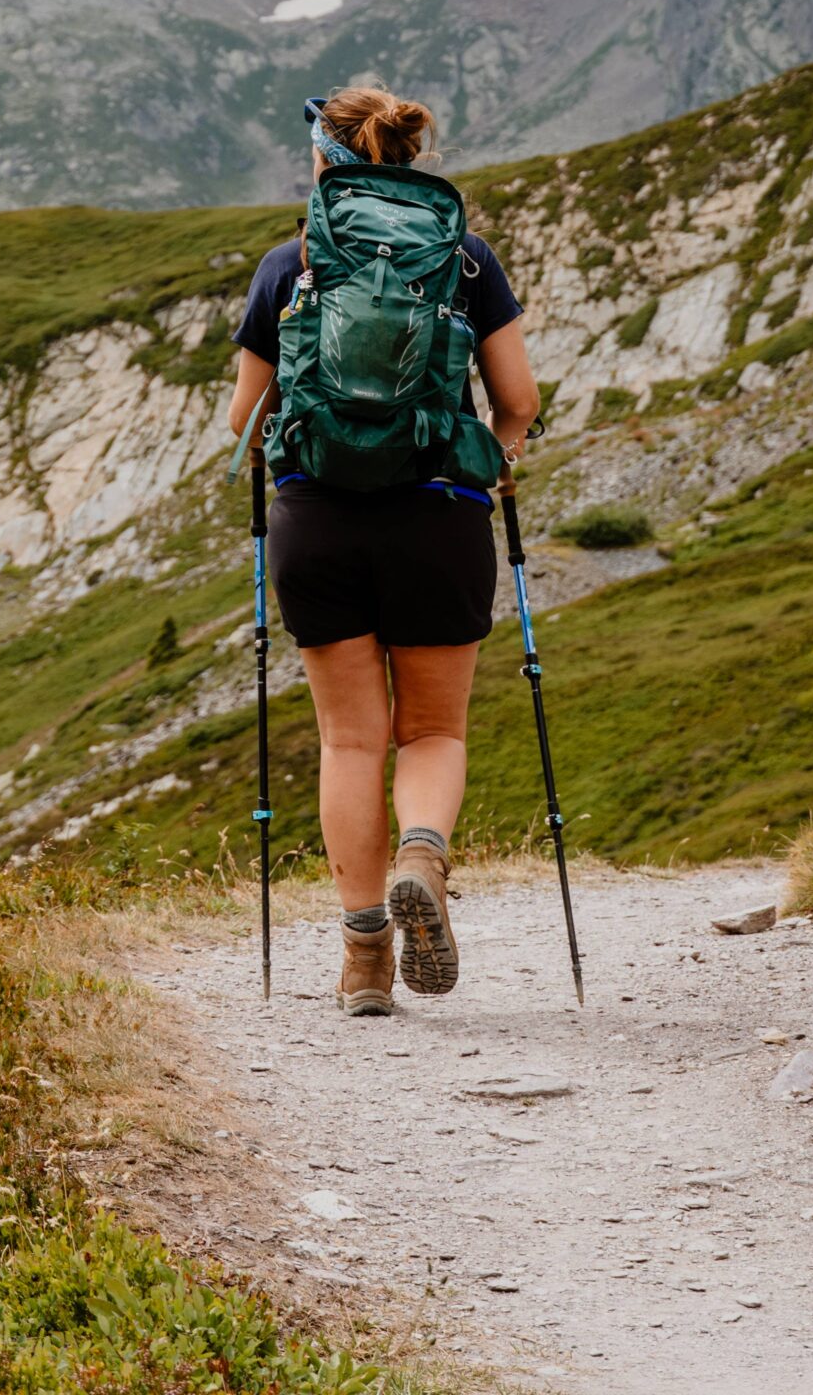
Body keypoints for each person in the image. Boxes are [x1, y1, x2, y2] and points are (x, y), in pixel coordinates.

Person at [228, 85, 540, 1015]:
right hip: (439, 512)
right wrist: (500, 462)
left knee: (349, 739)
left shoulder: (290, 265)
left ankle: (364, 959)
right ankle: (422, 856)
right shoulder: (466, 259)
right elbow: (516, 401)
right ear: (404, 158)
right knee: (433, 729)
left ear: (323, 159)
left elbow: (245, 420)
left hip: (316, 521)